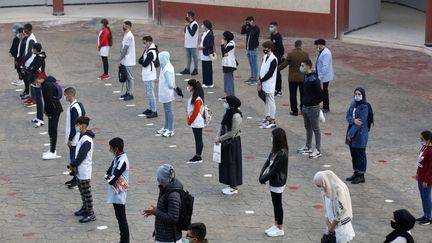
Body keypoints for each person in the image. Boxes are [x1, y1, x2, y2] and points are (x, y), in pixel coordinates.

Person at [259, 128, 288, 237]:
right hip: (273, 180)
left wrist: (264, 178)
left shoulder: (282, 153)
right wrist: (261, 175)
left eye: (273, 137)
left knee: (277, 204)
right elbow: (267, 162)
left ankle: (280, 227)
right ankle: (276, 224)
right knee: (274, 202)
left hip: (278, 181)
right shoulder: (275, 150)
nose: (271, 139)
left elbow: (275, 170)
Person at [143, 164, 183, 243]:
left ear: (163, 179)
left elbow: (173, 218)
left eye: (159, 178)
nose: (157, 180)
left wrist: (155, 211)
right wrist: (154, 211)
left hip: (169, 238)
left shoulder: (172, 195)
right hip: (164, 235)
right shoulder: (166, 188)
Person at [313, 170, 355, 243]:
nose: (320, 188)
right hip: (332, 224)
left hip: (341, 225)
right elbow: (327, 208)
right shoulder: (324, 190)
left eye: (320, 185)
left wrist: (333, 226)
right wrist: (328, 222)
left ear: (324, 182)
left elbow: (342, 210)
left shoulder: (339, 189)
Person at [70, 116, 96, 223]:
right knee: (81, 190)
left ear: (83, 125)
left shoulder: (86, 140)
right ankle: (85, 207)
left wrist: (73, 163)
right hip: (80, 169)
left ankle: (90, 213)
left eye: (78, 125)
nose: (76, 127)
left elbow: (82, 156)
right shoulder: (82, 136)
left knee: (86, 192)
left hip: (84, 169)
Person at [215, 95, 243, 195]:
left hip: (233, 142)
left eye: (226, 102)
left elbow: (232, 132)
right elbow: (222, 125)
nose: (224, 103)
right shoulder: (227, 113)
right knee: (226, 162)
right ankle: (229, 182)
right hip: (225, 141)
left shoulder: (236, 116)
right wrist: (217, 136)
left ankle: (234, 186)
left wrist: (220, 138)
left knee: (232, 163)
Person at [105, 137, 130, 243]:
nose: (110, 150)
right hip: (116, 192)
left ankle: (125, 240)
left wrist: (108, 177)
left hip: (119, 193)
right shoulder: (117, 158)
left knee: (122, 219)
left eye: (111, 148)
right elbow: (108, 171)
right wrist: (108, 176)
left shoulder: (122, 161)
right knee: (119, 218)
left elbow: (112, 178)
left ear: (116, 148)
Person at [297, 59, 322, 159]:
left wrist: (319, 102)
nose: (301, 67)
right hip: (305, 106)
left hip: (313, 107)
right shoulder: (306, 77)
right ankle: (308, 146)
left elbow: (320, 93)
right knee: (307, 127)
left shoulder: (314, 79)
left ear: (308, 66)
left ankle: (318, 150)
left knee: (316, 129)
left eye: (303, 65)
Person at [345, 87, 370, 184]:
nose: (357, 96)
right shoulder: (353, 104)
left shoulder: (365, 106)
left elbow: (360, 123)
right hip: (351, 131)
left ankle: (361, 175)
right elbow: (348, 116)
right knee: (353, 154)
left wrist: (350, 134)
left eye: (359, 94)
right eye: (356, 94)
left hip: (359, 134)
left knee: (360, 154)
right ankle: (356, 172)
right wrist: (353, 120)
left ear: (363, 95)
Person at [35, 75, 63, 160]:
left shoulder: (47, 85)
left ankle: (52, 151)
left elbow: (48, 100)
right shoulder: (47, 84)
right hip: (54, 109)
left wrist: (47, 112)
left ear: (40, 79)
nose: (36, 84)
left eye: (36, 81)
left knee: (52, 130)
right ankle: (52, 150)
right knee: (51, 130)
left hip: (54, 110)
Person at [279, 40, 309, 116]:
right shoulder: (305, 54)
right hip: (302, 77)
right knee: (303, 94)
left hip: (292, 78)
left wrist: (276, 69)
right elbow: (308, 66)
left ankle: (294, 111)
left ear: (295, 46)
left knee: (293, 95)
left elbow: (284, 65)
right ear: (301, 45)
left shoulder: (290, 54)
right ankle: (303, 110)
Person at [64, 87, 86, 189]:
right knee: (73, 158)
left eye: (65, 95)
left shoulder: (73, 109)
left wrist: (70, 138)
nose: (65, 97)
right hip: (78, 135)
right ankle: (74, 178)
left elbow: (74, 125)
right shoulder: (79, 105)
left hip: (74, 138)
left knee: (74, 158)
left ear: (69, 96)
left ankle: (76, 180)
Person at [258, 41, 278, 129]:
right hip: (263, 82)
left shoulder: (273, 59)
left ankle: (273, 120)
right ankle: (267, 117)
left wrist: (261, 80)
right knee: (265, 101)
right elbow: (262, 69)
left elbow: (270, 73)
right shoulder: (265, 56)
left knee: (271, 101)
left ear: (270, 48)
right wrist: (260, 79)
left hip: (269, 83)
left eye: (265, 48)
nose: (264, 49)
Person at [156, 51, 176, 137]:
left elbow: (170, 84)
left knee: (168, 111)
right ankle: (166, 127)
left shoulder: (168, 68)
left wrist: (171, 86)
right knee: (166, 111)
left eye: (160, 58)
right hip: (164, 92)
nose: (159, 60)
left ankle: (170, 129)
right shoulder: (164, 66)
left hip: (167, 93)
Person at [186, 79, 205, 163]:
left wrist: (190, 120)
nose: (188, 87)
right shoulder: (194, 96)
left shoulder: (197, 99)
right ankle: (198, 154)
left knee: (198, 139)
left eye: (189, 86)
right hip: (194, 121)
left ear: (192, 87)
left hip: (196, 122)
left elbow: (196, 111)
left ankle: (198, 155)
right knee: (197, 139)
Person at [139, 35, 158, 118]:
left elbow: (145, 63)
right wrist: (143, 61)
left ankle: (154, 110)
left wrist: (143, 61)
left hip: (150, 75)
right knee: (148, 93)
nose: (144, 44)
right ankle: (150, 108)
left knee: (151, 93)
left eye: (145, 42)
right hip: (146, 74)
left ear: (149, 42)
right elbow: (140, 60)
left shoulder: (151, 52)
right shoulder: (147, 50)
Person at [415, 130, 432, 226]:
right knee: (423, 196)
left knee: (427, 197)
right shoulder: (424, 147)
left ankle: (429, 217)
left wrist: (427, 180)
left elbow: (431, 168)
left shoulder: (431, 151)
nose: (421, 140)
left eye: (422, 139)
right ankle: (425, 215)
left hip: (426, 178)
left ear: (428, 140)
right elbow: (420, 162)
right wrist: (417, 173)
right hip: (421, 176)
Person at [28, 43, 46, 127]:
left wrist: (30, 70)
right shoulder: (38, 57)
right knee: (37, 100)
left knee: (39, 100)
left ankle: (41, 119)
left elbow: (34, 69)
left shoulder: (39, 58)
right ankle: (38, 117)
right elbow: (32, 66)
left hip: (38, 80)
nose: (32, 50)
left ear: (35, 49)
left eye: (33, 49)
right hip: (35, 79)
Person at [314, 39, 334, 113]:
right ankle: (324, 106)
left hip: (324, 77)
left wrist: (320, 77)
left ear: (320, 44)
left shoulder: (326, 53)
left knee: (324, 92)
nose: (316, 46)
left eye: (316, 45)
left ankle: (326, 107)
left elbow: (325, 67)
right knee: (323, 91)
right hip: (322, 75)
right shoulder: (322, 51)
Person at [20, 23, 37, 101]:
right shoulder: (29, 37)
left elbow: (30, 53)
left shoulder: (31, 39)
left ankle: (31, 96)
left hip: (30, 63)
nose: (24, 31)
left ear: (28, 29)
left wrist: (23, 61)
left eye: (25, 29)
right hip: (28, 62)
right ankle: (27, 92)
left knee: (29, 79)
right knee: (26, 78)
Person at [241, 16, 260, 85]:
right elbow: (242, 32)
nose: (247, 23)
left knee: (254, 64)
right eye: (246, 21)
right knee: (251, 64)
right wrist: (245, 25)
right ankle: (252, 77)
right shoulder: (249, 28)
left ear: (252, 21)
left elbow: (252, 33)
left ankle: (255, 79)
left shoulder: (256, 28)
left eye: (248, 21)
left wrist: (250, 26)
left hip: (253, 49)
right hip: (248, 49)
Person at [120, 20, 136, 101]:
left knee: (130, 78)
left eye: (124, 26)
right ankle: (127, 92)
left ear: (128, 27)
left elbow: (125, 48)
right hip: (125, 60)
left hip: (128, 60)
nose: (123, 27)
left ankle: (131, 93)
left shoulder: (129, 36)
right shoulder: (126, 34)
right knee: (126, 77)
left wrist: (120, 58)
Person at [180, 11, 199, 76]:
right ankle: (187, 69)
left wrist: (188, 26)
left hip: (192, 44)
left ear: (190, 16)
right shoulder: (188, 23)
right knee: (188, 56)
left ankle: (196, 69)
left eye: (187, 15)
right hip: (187, 43)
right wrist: (187, 26)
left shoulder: (195, 24)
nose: (186, 16)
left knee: (194, 56)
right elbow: (185, 31)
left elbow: (192, 33)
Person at [269, 22, 284, 97]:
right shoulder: (272, 35)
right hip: (272, 56)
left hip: (277, 57)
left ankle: (279, 90)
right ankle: (275, 89)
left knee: (277, 73)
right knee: (273, 73)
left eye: (272, 27)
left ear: (276, 27)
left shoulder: (278, 36)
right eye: (270, 26)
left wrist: (280, 56)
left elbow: (281, 48)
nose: (270, 28)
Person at [221, 31, 237, 96]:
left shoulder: (231, 43)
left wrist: (222, 44)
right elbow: (224, 53)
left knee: (229, 80)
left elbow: (224, 52)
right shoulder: (228, 43)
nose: (222, 37)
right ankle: (230, 94)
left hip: (229, 64)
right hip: (226, 64)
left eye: (223, 36)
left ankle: (230, 95)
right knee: (227, 80)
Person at [199, 20, 215, 88]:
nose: (202, 26)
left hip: (207, 54)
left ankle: (210, 83)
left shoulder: (210, 34)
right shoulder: (204, 33)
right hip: (203, 53)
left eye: (203, 25)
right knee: (204, 68)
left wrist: (203, 47)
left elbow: (210, 45)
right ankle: (205, 82)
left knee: (208, 69)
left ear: (206, 26)